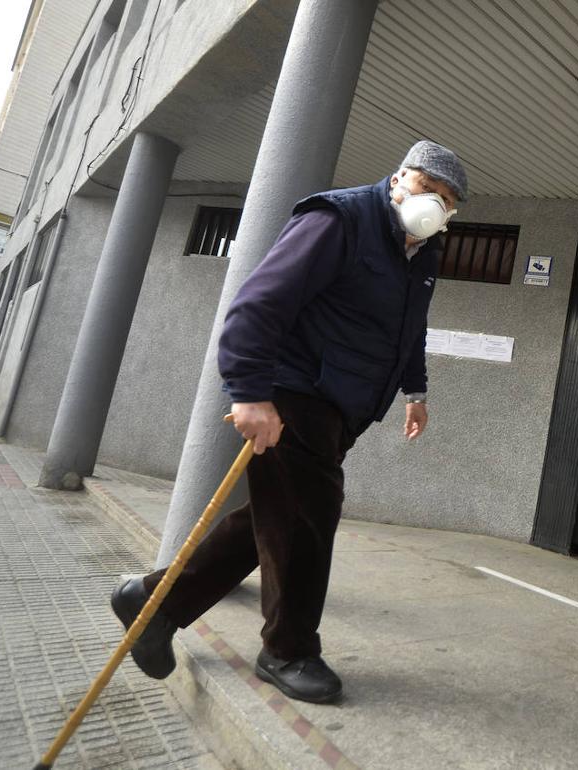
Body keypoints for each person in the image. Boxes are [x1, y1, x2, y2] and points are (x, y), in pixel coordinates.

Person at [109, 141, 467, 704]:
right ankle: (288, 649)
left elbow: (410, 328)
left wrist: (414, 391)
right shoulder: (340, 218)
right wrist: (251, 392)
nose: (434, 203)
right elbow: (260, 302)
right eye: (427, 187)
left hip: (341, 408)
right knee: (307, 520)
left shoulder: (421, 254)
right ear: (398, 178)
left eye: (447, 201)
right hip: (294, 393)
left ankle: (153, 601)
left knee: (275, 518)